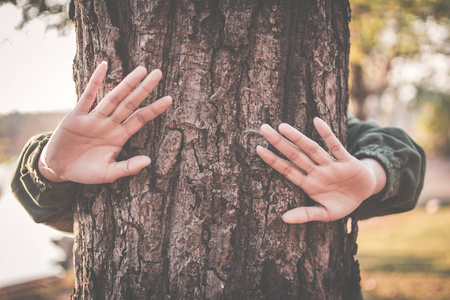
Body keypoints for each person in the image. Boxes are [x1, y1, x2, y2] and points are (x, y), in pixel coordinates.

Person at [10, 62, 426, 233]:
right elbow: (53, 211)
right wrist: (49, 167)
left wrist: (371, 177)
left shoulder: (316, 135)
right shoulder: (104, 136)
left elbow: (400, 155)